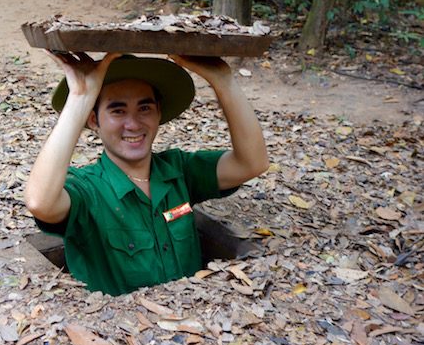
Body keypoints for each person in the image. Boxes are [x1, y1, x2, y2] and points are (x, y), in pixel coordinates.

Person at [24, 52, 269, 296]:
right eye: (117, 111)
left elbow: (252, 163)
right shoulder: (88, 189)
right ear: (93, 120)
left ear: (158, 113)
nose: (133, 123)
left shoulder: (179, 170)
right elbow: (40, 202)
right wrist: (80, 97)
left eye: (144, 108)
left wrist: (223, 80)